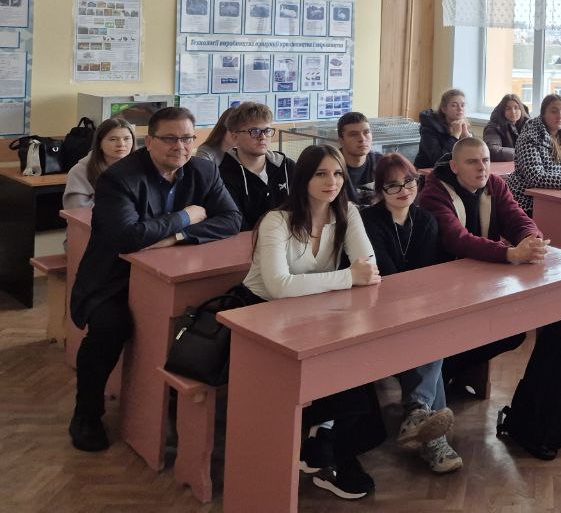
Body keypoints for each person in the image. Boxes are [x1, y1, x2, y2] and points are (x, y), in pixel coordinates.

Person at [68, 107, 241, 452]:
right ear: (149, 142)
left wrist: (175, 237)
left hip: (176, 273)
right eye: (170, 139)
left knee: (209, 316)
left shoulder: (203, 169)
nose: (181, 146)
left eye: (188, 138)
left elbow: (232, 218)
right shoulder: (120, 178)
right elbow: (127, 237)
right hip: (114, 278)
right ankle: (86, 414)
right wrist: (186, 216)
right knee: (109, 328)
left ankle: (176, 403)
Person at [240, 144, 385, 501]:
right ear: (303, 178)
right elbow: (279, 286)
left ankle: (325, 442)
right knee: (347, 374)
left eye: (337, 174)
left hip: (312, 311)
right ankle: (334, 451)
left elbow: (369, 270)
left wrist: (350, 277)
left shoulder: (348, 212)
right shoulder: (277, 221)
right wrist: (347, 277)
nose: (331, 182)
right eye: (321, 174)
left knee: (356, 361)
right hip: (259, 316)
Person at [419, 136, 547, 387]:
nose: (482, 168)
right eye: (472, 162)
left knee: (513, 333)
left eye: (486, 160)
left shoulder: (495, 185)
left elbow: (517, 218)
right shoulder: (433, 193)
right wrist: (509, 254)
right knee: (461, 336)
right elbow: (457, 240)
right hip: (442, 287)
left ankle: (447, 374)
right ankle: (441, 378)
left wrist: (531, 240)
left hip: (482, 280)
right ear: (454, 167)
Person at [362, 153, 462, 474]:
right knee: (430, 335)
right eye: (392, 186)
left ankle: (420, 416)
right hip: (375, 308)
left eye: (409, 182)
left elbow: (425, 275)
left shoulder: (426, 221)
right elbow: (386, 276)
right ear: (380, 190)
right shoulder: (368, 221)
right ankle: (427, 427)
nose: (403, 190)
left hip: (415, 309)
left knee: (430, 331)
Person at [218, 102, 294, 230]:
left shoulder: (287, 166)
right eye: (254, 131)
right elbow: (236, 224)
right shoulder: (222, 175)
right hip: (249, 239)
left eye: (267, 131)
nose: (263, 137)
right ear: (235, 137)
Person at [62, 117, 135, 210]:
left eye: (127, 138)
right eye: (113, 139)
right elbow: (76, 210)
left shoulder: (140, 167)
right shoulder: (80, 171)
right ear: (99, 143)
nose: (121, 144)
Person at [415, 89, 472, 169]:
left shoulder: (464, 125)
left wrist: (467, 138)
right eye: (454, 105)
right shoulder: (429, 128)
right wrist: (455, 136)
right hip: (429, 172)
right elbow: (438, 160)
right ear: (444, 109)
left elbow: (475, 156)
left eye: (462, 105)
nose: (460, 109)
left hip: (454, 170)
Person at [337, 111, 382, 205]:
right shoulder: (332, 166)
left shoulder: (381, 163)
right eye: (354, 134)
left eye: (366, 132)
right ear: (341, 141)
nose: (362, 139)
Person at [483, 93, 528, 162]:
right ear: (502, 111)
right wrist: (523, 153)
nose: (513, 112)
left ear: (521, 110)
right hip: (502, 166)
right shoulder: (493, 127)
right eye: (508, 109)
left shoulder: (529, 125)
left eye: (516, 108)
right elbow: (492, 151)